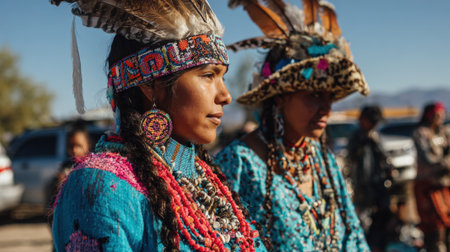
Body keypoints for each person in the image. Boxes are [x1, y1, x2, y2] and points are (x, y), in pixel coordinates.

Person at [50, 1, 265, 251]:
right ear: (152, 85)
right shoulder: (97, 185)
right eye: (208, 76)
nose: (226, 95)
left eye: (223, 77)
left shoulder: (205, 175)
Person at [215, 0, 369, 251]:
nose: (326, 108)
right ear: (281, 97)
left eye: (329, 97)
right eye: (314, 95)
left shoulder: (322, 160)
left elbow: (353, 235)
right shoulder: (239, 164)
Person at [347, 105, 392, 250]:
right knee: (363, 221)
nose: (374, 125)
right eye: (372, 121)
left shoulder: (374, 135)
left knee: (382, 219)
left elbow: (383, 157)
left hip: (378, 184)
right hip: (363, 187)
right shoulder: (357, 137)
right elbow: (354, 159)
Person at [413, 101, 450, 252]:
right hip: (427, 184)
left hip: (444, 184)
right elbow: (428, 159)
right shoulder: (421, 133)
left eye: (442, 114)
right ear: (429, 116)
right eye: (436, 115)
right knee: (433, 226)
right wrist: (445, 164)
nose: (440, 118)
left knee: (447, 220)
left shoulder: (445, 132)